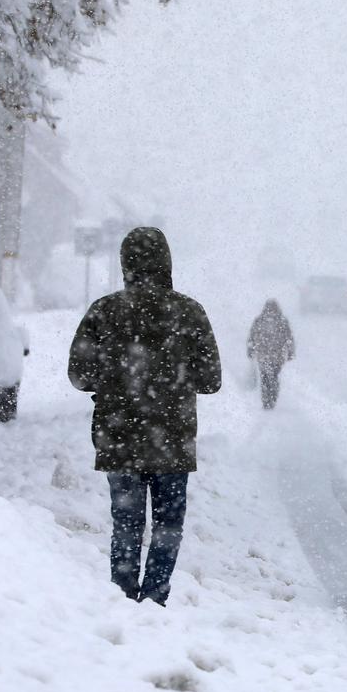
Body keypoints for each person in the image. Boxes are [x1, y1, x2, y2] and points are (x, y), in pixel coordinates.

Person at [67, 227, 221, 605]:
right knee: (168, 524)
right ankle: (155, 595)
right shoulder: (189, 311)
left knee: (127, 522)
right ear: (167, 263)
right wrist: (174, 379)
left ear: (125, 265)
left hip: (119, 437)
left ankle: (122, 595)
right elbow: (212, 379)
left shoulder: (104, 311)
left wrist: (116, 378)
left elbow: (78, 375)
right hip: (172, 439)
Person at [246, 299, 294, 410]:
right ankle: (271, 398)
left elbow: (252, 337)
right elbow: (289, 338)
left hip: (264, 356)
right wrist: (290, 351)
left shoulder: (260, 320)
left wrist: (251, 350)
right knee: (272, 377)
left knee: (266, 378)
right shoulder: (282, 321)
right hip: (276, 356)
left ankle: (267, 399)